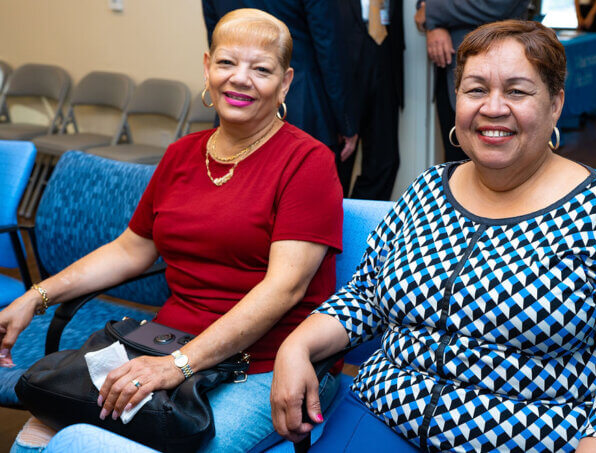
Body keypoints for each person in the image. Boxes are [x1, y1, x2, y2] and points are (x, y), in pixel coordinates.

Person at [271, 20, 596, 452]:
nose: (493, 108)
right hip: (379, 415)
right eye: (476, 89)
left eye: (517, 91)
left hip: (519, 439)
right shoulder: (427, 191)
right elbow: (366, 296)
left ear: (556, 104)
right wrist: (295, 346)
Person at [0, 9, 343, 453]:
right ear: (207, 68)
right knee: (41, 438)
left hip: (263, 365)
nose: (240, 79)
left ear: (286, 82)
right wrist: (34, 296)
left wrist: (178, 366)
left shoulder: (307, 162)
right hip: (162, 345)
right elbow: (129, 250)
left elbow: (284, 289)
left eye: (261, 69)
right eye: (226, 63)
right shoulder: (182, 154)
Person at [202, 0, 359, 194]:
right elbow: (329, 48)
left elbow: (216, 39)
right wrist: (345, 122)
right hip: (302, 105)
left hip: (235, 108)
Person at [414, 0, 528, 162]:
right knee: (457, 159)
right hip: (448, 68)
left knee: (497, 163)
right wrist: (434, 25)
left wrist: (432, 12)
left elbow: (497, 5)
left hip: (496, 65)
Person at [335, 0, 404, 201]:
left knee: (385, 160)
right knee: (340, 155)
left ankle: (361, 225)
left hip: (385, 48)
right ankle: (332, 222)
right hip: (341, 51)